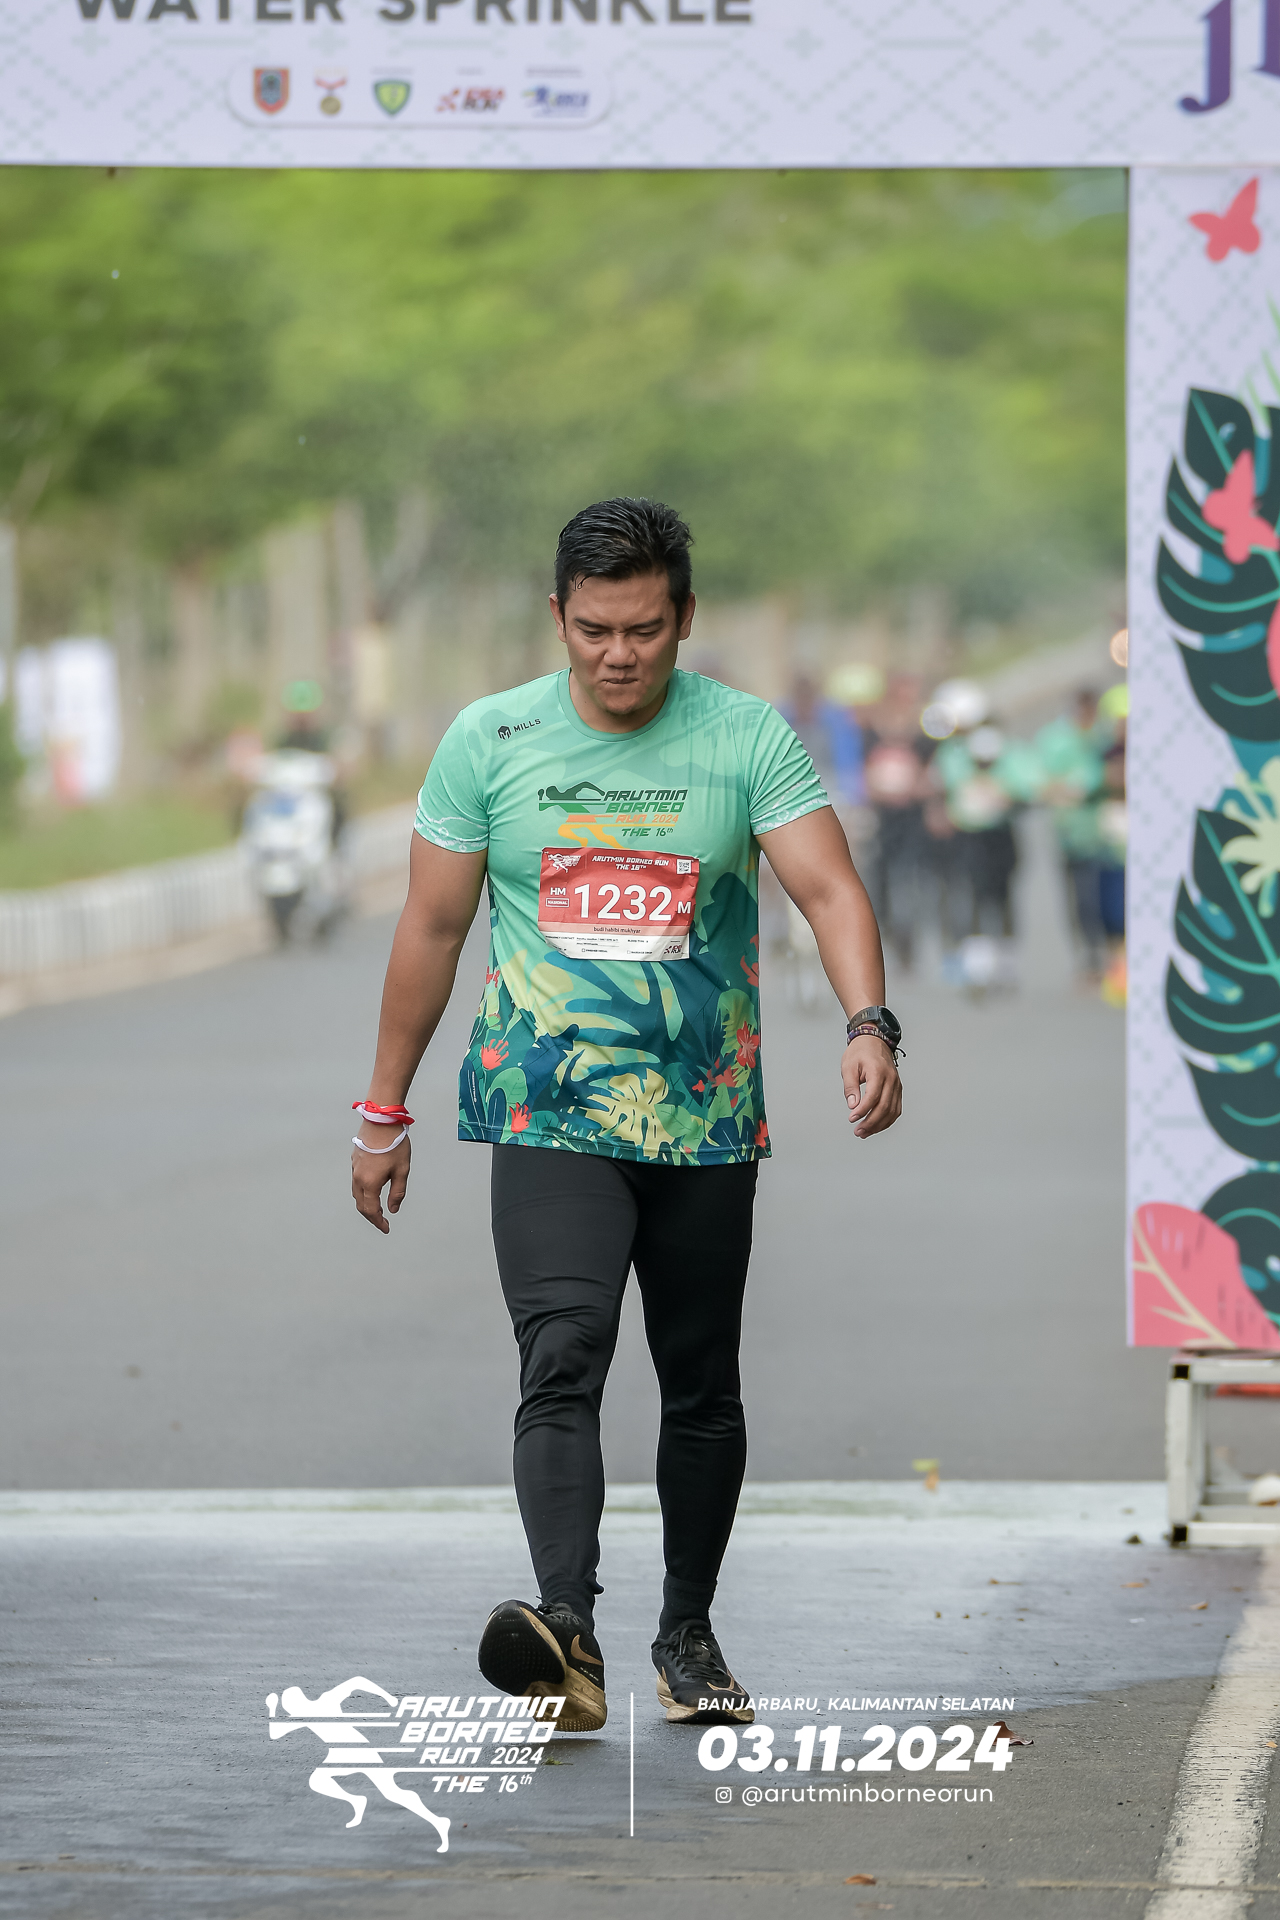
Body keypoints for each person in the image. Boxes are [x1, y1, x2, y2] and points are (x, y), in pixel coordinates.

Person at [350, 499, 902, 1735]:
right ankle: (567, 1627)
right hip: (547, 1108)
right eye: (593, 630)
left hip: (702, 1116)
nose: (618, 655)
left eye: (644, 631)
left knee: (699, 1380)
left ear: (684, 619)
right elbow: (430, 929)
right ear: (557, 617)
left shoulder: (743, 737)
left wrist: (868, 1024)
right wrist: (382, 1109)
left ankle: (685, 1633)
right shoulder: (488, 740)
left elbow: (827, 890)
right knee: (563, 1351)